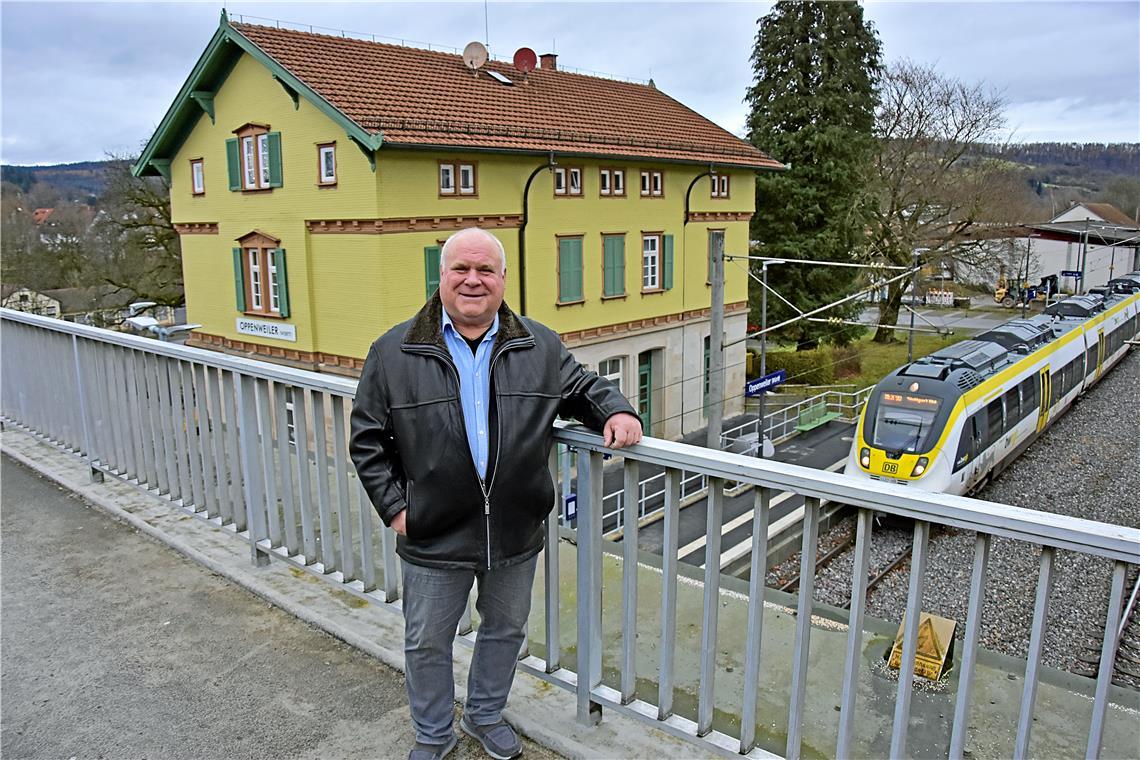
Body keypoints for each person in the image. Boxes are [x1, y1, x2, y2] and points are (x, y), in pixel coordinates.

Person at [350, 227, 642, 760]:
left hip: (515, 527)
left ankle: (484, 716)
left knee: (505, 629)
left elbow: (583, 388)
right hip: (434, 531)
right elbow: (367, 441)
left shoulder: (539, 344)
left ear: (503, 280)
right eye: (461, 268)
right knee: (426, 642)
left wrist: (618, 410)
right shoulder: (393, 351)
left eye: (485, 270)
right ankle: (434, 734)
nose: (473, 280)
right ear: (441, 277)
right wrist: (397, 510)